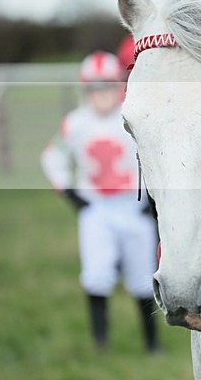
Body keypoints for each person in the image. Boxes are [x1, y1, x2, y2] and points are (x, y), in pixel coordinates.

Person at [40, 51, 160, 353]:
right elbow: (51, 156)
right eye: (94, 87)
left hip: (134, 206)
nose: (101, 93)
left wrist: (153, 199)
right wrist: (70, 194)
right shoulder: (76, 122)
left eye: (107, 85)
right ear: (85, 90)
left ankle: (152, 345)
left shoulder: (133, 115)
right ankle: (101, 344)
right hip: (97, 209)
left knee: (143, 276)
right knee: (96, 274)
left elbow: (157, 157)